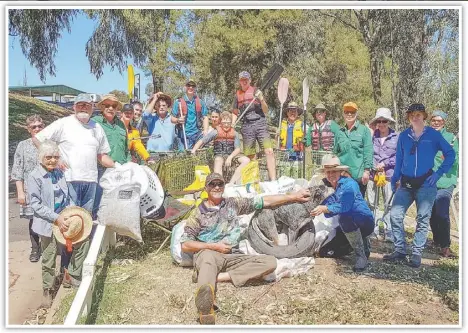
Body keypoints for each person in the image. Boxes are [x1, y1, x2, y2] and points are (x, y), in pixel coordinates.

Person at [181, 172, 312, 325]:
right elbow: (185, 244)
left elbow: (263, 200)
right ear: (206, 188)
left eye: (220, 184)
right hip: (208, 253)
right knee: (209, 260)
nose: (216, 187)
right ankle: (206, 309)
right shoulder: (198, 213)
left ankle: (215, 277)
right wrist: (213, 246)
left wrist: (293, 196)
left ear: (224, 186)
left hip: (232, 256)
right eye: (212, 184)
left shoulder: (232, 204)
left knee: (270, 262)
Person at [33, 93, 114, 285]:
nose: (84, 108)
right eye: (80, 105)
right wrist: (55, 157)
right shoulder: (63, 124)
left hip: (91, 182)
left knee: (83, 228)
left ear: (93, 107)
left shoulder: (97, 128)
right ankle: (65, 269)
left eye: (87, 105)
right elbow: (38, 139)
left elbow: (102, 156)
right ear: (74, 107)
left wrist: (120, 167)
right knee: (68, 226)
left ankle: (75, 272)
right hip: (68, 181)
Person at [384, 103, 455, 268]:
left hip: (426, 184)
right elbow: (399, 160)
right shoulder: (403, 136)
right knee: (395, 215)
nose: (415, 117)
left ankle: (416, 253)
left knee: (423, 218)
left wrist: (438, 174)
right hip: (406, 183)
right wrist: (395, 179)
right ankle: (400, 250)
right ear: (408, 117)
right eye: (412, 115)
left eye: (418, 114)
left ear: (424, 116)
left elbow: (450, 154)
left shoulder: (433, 135)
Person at [26, 140, 90, 306]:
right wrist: (57, 218)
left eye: (55, 157)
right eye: (49, 157)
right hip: (48, 223)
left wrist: (69, 214)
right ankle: (47, 290)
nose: (53, 160)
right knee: (49, 257)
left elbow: (67, 197)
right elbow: (36, 204)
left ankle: (73, 276)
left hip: (64, 218)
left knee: (83, 242)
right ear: (41, 158)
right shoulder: (34, 176)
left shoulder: (59, 173)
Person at [310, 155, 374, 272]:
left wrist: (325, 208)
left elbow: (345, 207)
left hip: (363, 222)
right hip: (346, 225)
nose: (330, 175)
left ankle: (361, 256)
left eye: (334, 171)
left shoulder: (350, 184)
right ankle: (359, 244)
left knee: (345, 218)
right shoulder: (328, 187)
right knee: (325, 252)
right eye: (328, 172)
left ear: (340, 171)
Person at [11, 114, 45, 262]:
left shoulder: (50, 143)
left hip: (49, 188)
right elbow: (17, 170)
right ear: (28, 129)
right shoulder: (23, 145)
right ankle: (35, 248)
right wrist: (20, 192)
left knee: (51, 219)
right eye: (34, 127)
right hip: (30, 189)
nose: (37, 129)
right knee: (34, 220)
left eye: (39, 126)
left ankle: (51, 248)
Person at [231, 71, 276, 181]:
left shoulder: (256, 91)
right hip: (247, 126)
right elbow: (234, 112)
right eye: (242, 79)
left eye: (246, 79)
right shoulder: (237, 95)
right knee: (251, 156)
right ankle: (254, 180)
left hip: (260, 123)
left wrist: (261, 99)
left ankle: (274, 180)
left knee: (269, 151)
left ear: (250, 80)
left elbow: (265, 111)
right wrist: (233, 123)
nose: (244, 81)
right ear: (239, 81)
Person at [92, 94, 130, 220]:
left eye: (113, 106)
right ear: (102, 107)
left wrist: (129, 166)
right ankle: (93, 236)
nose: (110, 108)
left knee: (118, 205)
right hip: (101, 171)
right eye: (107, 105)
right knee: (98, 205)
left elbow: (126, 149)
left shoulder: (121, 125)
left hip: (121, 171)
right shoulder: (95, 123)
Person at [366, 108, 399, 242]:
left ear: (388, 122)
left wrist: (384, 163)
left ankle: (389, 230)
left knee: (389, 204)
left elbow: (399, 156)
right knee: (371, 203)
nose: (381, 123)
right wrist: (374, 165)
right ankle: (371, 229)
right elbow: (368, 152)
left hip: (389, 175)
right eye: (379, 121)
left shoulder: (397, 137)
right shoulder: (372, 136)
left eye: (384, 121)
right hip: (373, 175)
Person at [429, 110, 459, 257]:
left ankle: (445, 246)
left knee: (442, 213)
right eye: (433, 120)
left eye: (439, 121)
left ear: (444, 122)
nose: (436, 123)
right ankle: (436, 241)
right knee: (431, 213)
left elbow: (457, 161)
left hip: (446, 181)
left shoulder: (451, 139)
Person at [191, 112, 250, 184]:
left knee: (246, 160)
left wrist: (230, 157)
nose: (226, 124)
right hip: (219, 155)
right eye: (224, 122)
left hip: (230, 155)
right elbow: (202, 141)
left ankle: (231, 183)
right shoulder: (215, 132)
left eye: (228, 122)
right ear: (220, 122)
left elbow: (238, 149)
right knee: (218, 160)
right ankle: (220, 183)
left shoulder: (235, 133)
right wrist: (194, 150)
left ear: (231, 123)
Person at [333, 102, 373, 197]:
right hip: (342, 175)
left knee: (357, 204)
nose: (349, 114)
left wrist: (367, 171)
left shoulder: (364, 131)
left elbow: (368, 151)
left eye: (352, 112)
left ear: (356, 113)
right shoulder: (339, 132)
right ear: (343, 114)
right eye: (347, 112)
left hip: (358, 175)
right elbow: (335, 153)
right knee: (342, 203)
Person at [171, 80, 209, 150]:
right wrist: (178, 120)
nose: (191, 87)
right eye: (189, 85)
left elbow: (205, 117)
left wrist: (206, 130)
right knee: (184, 157)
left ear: (195, 88)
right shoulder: (178, 102)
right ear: (185, 87)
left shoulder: (200, 102)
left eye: (193, 86)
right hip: (183, 135)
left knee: (197, 156)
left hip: (197, 134)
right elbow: (172, 118)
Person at [278, 101, 304, 178]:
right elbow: (277, 139)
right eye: (290, 111)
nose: (292, 113)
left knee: (296, 180)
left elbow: (307, 139)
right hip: (284, 156)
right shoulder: (281, 125)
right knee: (284, 178)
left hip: (297, 156)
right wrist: (277, 136)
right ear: (287, 113)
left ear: (297, 113)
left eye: (294, 111)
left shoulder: (302, 125)